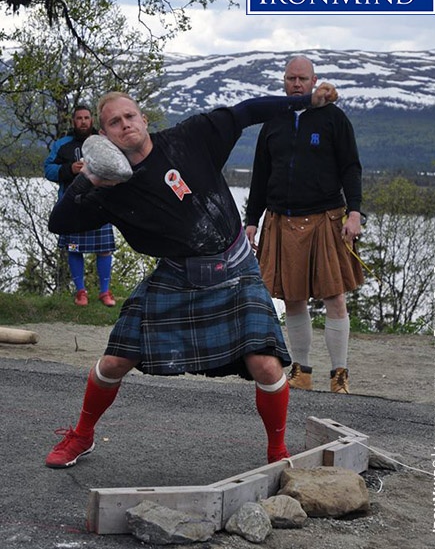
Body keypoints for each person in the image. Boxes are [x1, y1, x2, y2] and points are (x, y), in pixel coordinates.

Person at [44, 85, 338, 469]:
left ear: (144, 120)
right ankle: (82, 435)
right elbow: (58, 222)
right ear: (104, 136)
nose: (125, 125)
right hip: (178, 275)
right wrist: (89, 181)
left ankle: (277, 452)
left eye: (130, 116)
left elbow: (247, 110)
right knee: (114, 361)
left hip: (234, 268)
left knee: (266, 365)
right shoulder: (110, 188)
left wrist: (305, 101)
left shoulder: (191, 137)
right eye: (114, 122)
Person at [245, 56, 364, 394]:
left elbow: (351, 168)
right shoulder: (274, 122)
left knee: (334, 296)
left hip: (326, 216)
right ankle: (302, 371)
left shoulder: (333, 119)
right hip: (281, 217)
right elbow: (261, 176)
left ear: (314, 81)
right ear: (284, 82)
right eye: (290, 78)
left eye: (302, 78)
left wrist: (353, 213)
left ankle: (339, 375)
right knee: (292, 298)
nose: (296, 84)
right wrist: (251, 221)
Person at [44, 105, 116, 307]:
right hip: (72, 205)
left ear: (92, 120)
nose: (83, 122)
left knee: (104, 250)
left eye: (86, 118)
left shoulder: (103, 142)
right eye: (79, 118)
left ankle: (105, 293)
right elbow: (48, 170)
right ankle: (80, 292)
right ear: (73, 121)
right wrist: (69, 169)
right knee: (74, 250)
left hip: (100, 203)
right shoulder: (62, 145)